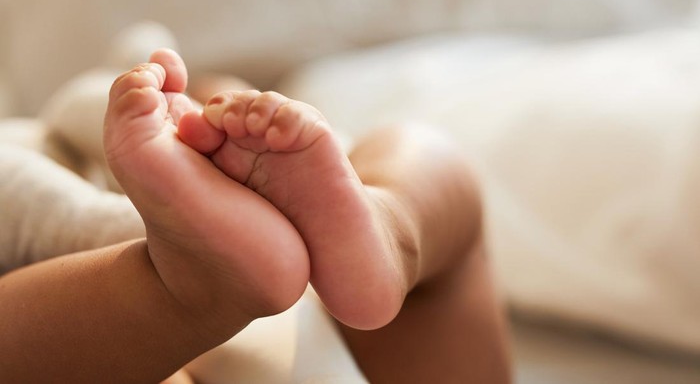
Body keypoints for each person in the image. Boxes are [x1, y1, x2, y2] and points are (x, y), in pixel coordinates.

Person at [0, 49, 511, 383]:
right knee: (426, 161)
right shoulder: (311, 177)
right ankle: (392, 227)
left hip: (124, 332)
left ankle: (181, 292)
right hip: (341, 330)